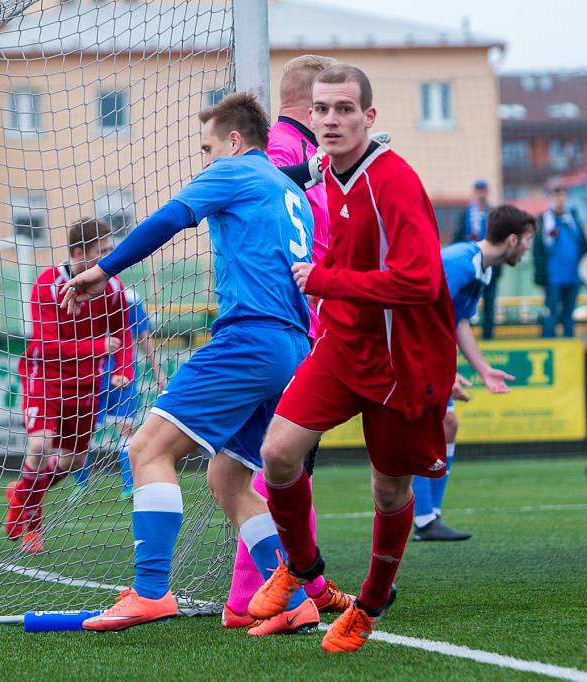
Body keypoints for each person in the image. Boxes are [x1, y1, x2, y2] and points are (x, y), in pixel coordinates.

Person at [62, 92, 345, 635]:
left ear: (235, 144)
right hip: (292, 350)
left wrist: (104, 268)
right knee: (229, 478)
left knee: (147, 448)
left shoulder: (234, 173)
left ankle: (150, 593)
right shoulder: (288, 188)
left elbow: (170, 218)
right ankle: (289, 599)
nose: (205, 161)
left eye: (208, 148)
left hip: (250, 338)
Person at [247, 64, 457, 654]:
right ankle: (303, 570)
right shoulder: (324, 166)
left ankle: (368, 604)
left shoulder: (394, 181)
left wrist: (327, 281)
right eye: (321, 109)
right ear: (308, 116)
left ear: (370, 117)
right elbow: (293, 172)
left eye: (344, 109)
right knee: (278, 453)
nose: (331, 119)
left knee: (389, 493)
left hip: (399, 362)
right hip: (342, 347)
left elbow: (419, 281)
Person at [222, 54, 353, 630]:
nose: (333, 116)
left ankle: (269, 590)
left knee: (273, 465)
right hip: (284, 328)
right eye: (327, 105)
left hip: (293, 325)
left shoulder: (301, 149)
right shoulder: (282, 147)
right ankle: (286, 590)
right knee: (282, 466)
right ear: (308, 103)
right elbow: (266, 185)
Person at [4, 218, 133, 553]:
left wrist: (124, 368)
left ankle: (21, 492)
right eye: (102, 252)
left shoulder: (114, 287)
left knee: (73, 462)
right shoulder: (47, 284)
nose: (109, 258)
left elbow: (124, 334)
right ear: (78, 253)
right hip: (44, 377)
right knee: (39, 445)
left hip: (85, 383)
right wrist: (99, 349)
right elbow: (46, 346)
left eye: (111, 251)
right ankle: (32, 523)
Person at [413, 205, 537, 542]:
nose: (528, 248)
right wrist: (441, 371)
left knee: (447, 423)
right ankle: (423, 519)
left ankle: (430, 517)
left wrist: (483, 369)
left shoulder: (481, 270)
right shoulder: (459, 263)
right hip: (408, 347)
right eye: (527, 241)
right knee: (421, 431)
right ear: (512, 240)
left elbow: (457, 320)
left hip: (427, 353)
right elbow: (424, 314)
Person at [74, 286, 166, 498]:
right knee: (81, 430)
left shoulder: (129, 297)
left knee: (127, 429)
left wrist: (158, 372)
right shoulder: (79, 293)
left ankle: (130, 486)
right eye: (101, 250)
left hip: (122, 373)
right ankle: (81, 485)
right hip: (89, 375)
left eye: (108, 250)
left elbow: (142, 335)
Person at [534, 185, 586, 338]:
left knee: (569, 314)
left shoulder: (573, 220)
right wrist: (541, 278)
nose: (559, 200)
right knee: (551, 313)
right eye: (556, 196)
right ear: (550, 199)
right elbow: (538, 251)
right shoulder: (545, 221)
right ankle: (549, 346)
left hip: (572, 277)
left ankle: (568, 348)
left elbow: (582, 246)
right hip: (553, 278)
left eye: (562, 196)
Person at [454, 180, 499, 339]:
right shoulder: (466, 214)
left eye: (484, 190)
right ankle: (466, 337)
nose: (481, 194)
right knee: (466, 302)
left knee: (489, 304)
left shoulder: (493, 213)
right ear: (475, 193)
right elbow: (457, 239)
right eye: (478, 190)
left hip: (490, 266)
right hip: (470, 267)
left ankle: (488, 336)